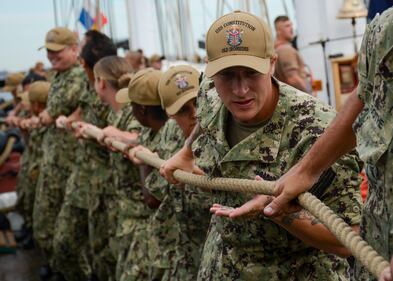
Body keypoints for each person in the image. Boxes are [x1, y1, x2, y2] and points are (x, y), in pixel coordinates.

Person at [160, 11, 363, 280]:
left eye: (251, 73)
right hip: (222, 262)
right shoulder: (210, 90)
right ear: (210, 70)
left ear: (271, 64)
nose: (240, 89)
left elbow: (346, 240)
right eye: (227, 75)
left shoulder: (317, 132)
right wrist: (186, 152)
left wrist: (279, 213)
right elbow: (207, 114)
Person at [255, 8, 393, 281]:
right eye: (288, 26)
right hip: (375, 252)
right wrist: (306, 170)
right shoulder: (383, 29)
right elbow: (364, 94)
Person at [130, 65, 211, 280]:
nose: (195, 114)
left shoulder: (224, 135)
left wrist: (198, 176)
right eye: (183, 109)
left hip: (216, 255)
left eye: (198, 103)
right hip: (185, 252)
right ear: (170, 114)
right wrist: (146, 158)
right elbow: (155, 194)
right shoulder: (170, 133)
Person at [52, 31, 116, 281]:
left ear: (85, 62)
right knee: (64, 242)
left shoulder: (116, 88)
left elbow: (129, 133)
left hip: (105, 188)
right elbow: (80, 111)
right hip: (82, 180)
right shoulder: (91, 89)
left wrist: (96, 133)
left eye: (80, 51)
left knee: (104, 256)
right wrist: (69, 121)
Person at [33, 26, 86, 280]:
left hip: (69, 160)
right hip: (55, 156)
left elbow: (54, 111)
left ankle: (66, 270)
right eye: (49, 52)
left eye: (57, 52)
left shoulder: (77, 76)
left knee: (62, 222)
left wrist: (47, 116)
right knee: (46, 218)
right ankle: (57, 265)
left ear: (74, 49)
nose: (52, 57)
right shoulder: (60, 76)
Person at [90, 56, 142, 281]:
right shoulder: (115, 111)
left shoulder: (134, 107)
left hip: (141, 213)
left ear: (100, 82)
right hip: (122, 205)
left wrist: (116, 134)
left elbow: (144, 137)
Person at [274, 15, 311, 93]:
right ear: (278, 31)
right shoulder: (285, 50)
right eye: (287, 26)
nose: (291, 29)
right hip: (298, 99)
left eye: (291, 25)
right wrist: (309, 96)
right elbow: (292, 78)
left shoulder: (277, 49)